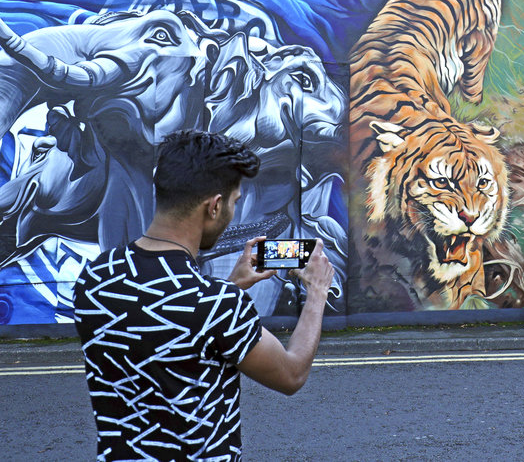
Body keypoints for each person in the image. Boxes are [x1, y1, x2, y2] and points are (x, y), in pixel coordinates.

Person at [73, 130, 335, 461]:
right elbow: (291, 373)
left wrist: (230, 287)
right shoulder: (218, 305)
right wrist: (317, 292)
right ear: (213, 206)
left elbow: (167, 325)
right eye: (235, 202)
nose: (233, 213)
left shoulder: (95, 279)